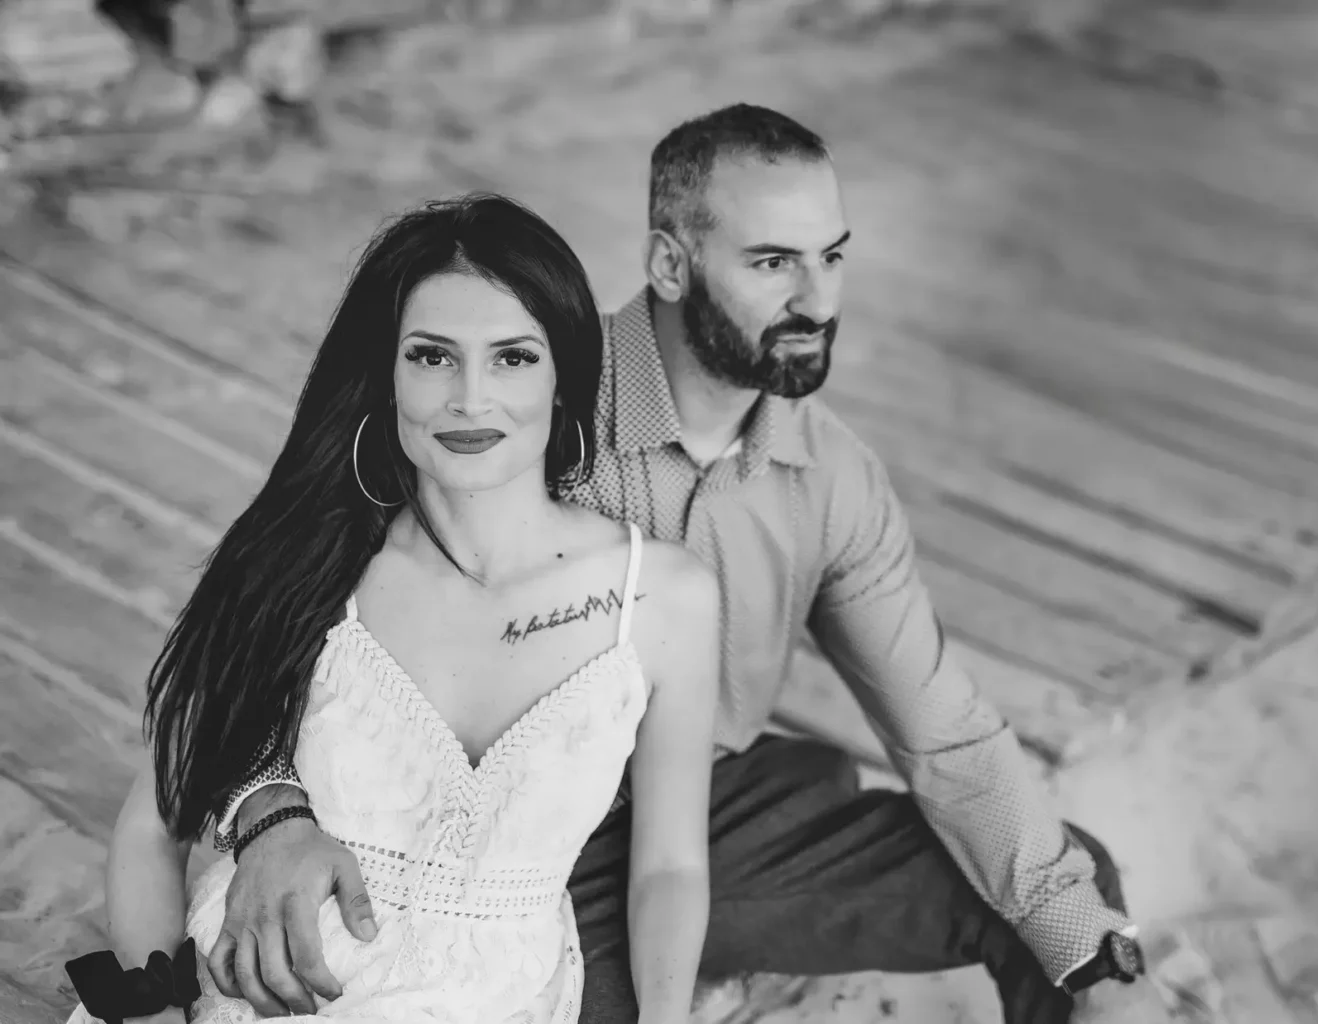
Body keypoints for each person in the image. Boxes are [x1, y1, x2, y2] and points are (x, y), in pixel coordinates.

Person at [209, 104, 1144, 1024]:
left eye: (832, 257)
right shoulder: (519, 398)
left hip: (704, 823)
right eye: (773, 262)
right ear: (669, 262)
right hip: (499, 846)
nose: (817, 300)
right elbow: (286, 619)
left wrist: (1096, 963)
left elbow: (943, 733)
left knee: (1070, 903)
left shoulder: (833, 478)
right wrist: (273, 808)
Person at [63, 194, 720, 1024]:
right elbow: (152, 826)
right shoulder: (304, 557)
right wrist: (156, 1016)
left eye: (514, 358)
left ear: (564, 380)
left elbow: (669, 868)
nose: (471, 399)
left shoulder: (663, 597)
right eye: (432, 357)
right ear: (388, 373)